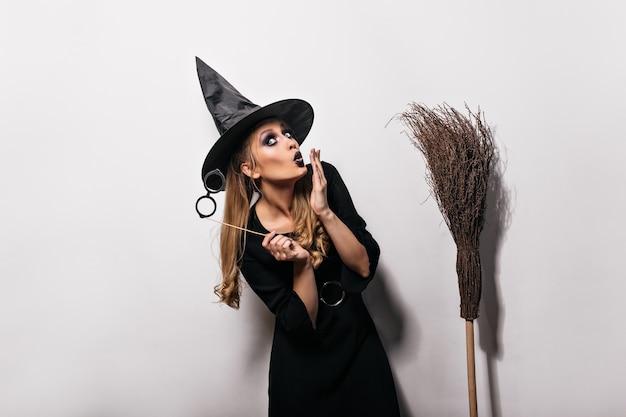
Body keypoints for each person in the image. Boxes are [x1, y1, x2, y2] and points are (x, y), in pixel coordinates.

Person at [195, 57, 400, 417]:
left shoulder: (325, 179)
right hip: (302, 373)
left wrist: (324, 211)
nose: (291, 142)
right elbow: (300, 324)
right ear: (250, 168)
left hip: (359, 351)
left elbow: (364, 267)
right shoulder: (247, 237)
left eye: (287, 133)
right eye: (271, 139)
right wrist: (302, 265)